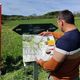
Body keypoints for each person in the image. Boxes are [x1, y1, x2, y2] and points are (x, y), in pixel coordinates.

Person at [36, 10, 80, 80]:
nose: (58, 25)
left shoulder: (64, 42)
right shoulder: (77, 34)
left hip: (60, 78)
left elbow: (51, 67)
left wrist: (41, 62)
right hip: (75, 76)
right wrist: (52, 34)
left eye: (58, 23)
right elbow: (66, 36)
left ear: (61, 22)